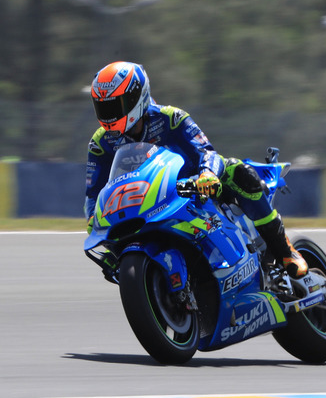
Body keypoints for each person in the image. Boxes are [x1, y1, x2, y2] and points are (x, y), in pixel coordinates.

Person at [84, 61, 308, 278]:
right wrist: (94, 224)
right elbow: (94, 194)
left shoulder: (171, 118)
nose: (108, 114)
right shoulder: (100, 143)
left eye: (114, 105)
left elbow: (206, 151)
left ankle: (285, 250)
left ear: (136, 97)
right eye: (102, 107)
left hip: (195, 187)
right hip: (145, 201)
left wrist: (207, 173)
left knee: (240, 173)